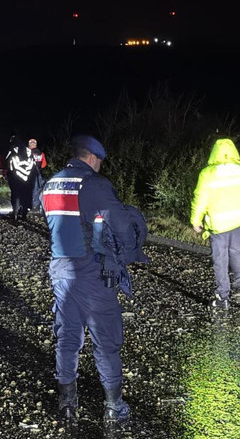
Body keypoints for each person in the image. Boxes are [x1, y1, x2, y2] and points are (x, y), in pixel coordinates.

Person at [42, 135, 148, 425]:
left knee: (67, 338)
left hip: (61, 271)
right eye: (99, 161)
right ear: (92, 157)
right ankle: (114, 407)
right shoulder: (95, 184)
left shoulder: (50, 184)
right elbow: (122, 226)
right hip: (91, 274)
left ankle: (67, 404)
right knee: (106, 341)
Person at [190, 138, 240, 309]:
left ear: (213, 153)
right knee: (237, 253)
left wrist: (196, 220)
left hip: (218, 224)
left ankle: (222, 298)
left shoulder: (208, 174)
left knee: (220, 259)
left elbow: (200, 199)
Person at [6, 136, 38, 220]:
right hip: (28, 177)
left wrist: (8, 174)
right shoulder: (28, 151)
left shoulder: (12, 150)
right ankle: (24, 214)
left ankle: (15, 212)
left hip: (15, 176)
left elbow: (8, 162)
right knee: (25, 195)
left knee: (16, 194)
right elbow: (33, 164)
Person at [28, 138, 47, 212]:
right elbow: (44, 165)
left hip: (28, 173)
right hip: (38, 173)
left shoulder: (27, 152)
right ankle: (36, 206)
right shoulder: (41, 153)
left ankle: (30, 205)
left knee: (29, 189)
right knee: (37, 189)